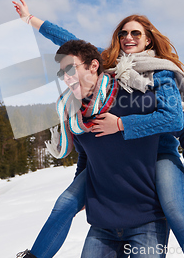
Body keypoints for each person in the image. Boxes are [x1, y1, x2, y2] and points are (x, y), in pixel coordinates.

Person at [14, 0, 184, 258]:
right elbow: (71, 42)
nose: (128, 37)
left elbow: (176, 120)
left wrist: (121, 124)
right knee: (65, 203)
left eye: (136, 33)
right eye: (123, 33)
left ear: (148, 40)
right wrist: (31, 20)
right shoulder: (112, 63)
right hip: (121, 154)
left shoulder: (160, 72)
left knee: (179, 215)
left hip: (159, 152)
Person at [53, 40, 171, 257]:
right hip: (103, 224)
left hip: (147, 219)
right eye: (62, 74)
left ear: (94, 66)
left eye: (70, 69)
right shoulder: (77, 117)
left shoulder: (133, 96)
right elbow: (85, 157)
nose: (66, 78)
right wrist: (84, 193)